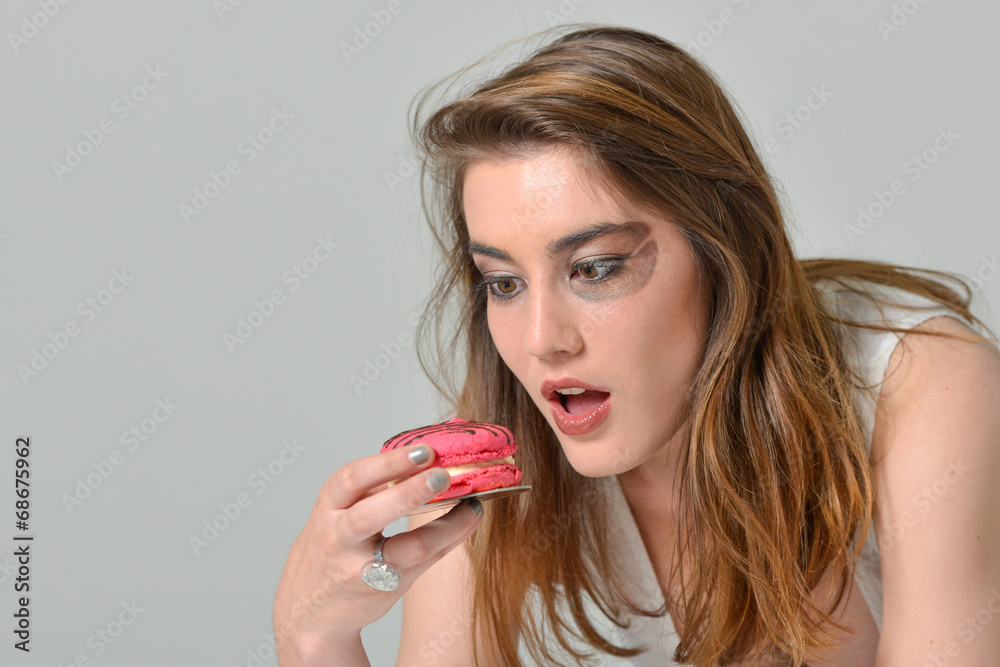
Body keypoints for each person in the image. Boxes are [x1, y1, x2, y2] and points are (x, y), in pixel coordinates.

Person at [273, 24, 1000, 666]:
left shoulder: (923, 389)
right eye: (502, 282)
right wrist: (314, 640)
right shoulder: (492, 469)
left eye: (594, 268)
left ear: (725, 252)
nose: (540, 342)